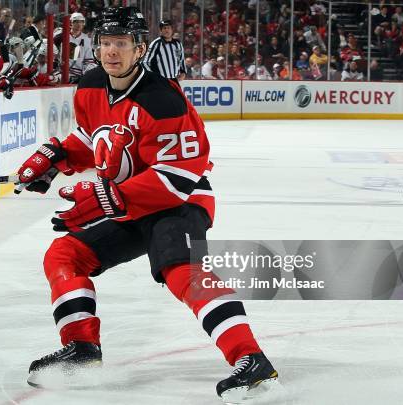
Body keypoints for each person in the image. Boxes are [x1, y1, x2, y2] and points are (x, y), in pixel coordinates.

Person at [15, 6, 278, 404]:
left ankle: (252, 360)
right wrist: (54, 159)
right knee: (64, 255)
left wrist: (103, 198)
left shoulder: (163, 100)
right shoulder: (89, 86)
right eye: (105, 43)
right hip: (127, 205)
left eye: (121, 44)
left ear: (140, 49)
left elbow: (178, 177)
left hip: (179, 203)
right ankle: (83, 350)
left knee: (180, 272)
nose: (110, 52)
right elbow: (95, 141)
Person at [54, 12, 95, 83]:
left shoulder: (87, 39)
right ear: (71, 23)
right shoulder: (61, 36)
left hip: (78, 75)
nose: (79, 24)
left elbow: (89, 60)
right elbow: (52, 51)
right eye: (76, 22)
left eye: (81, 22)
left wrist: (86, 75)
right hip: (61, 73)